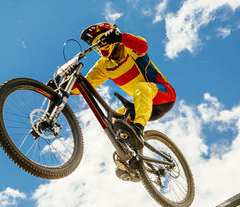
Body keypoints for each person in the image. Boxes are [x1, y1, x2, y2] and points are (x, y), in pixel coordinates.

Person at [75, 22, 177, 180]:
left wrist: (121, 37)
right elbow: (81, 87)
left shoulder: (131, 49)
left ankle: (138, 129)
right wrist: (59, 86)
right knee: (115, 120)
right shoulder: (103, 66)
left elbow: (142, 46)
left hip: (163, 95)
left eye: (102, 40)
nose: (100, 48)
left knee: (142, 88)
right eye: (96, 46)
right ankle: (133, 163)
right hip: (141, 105)